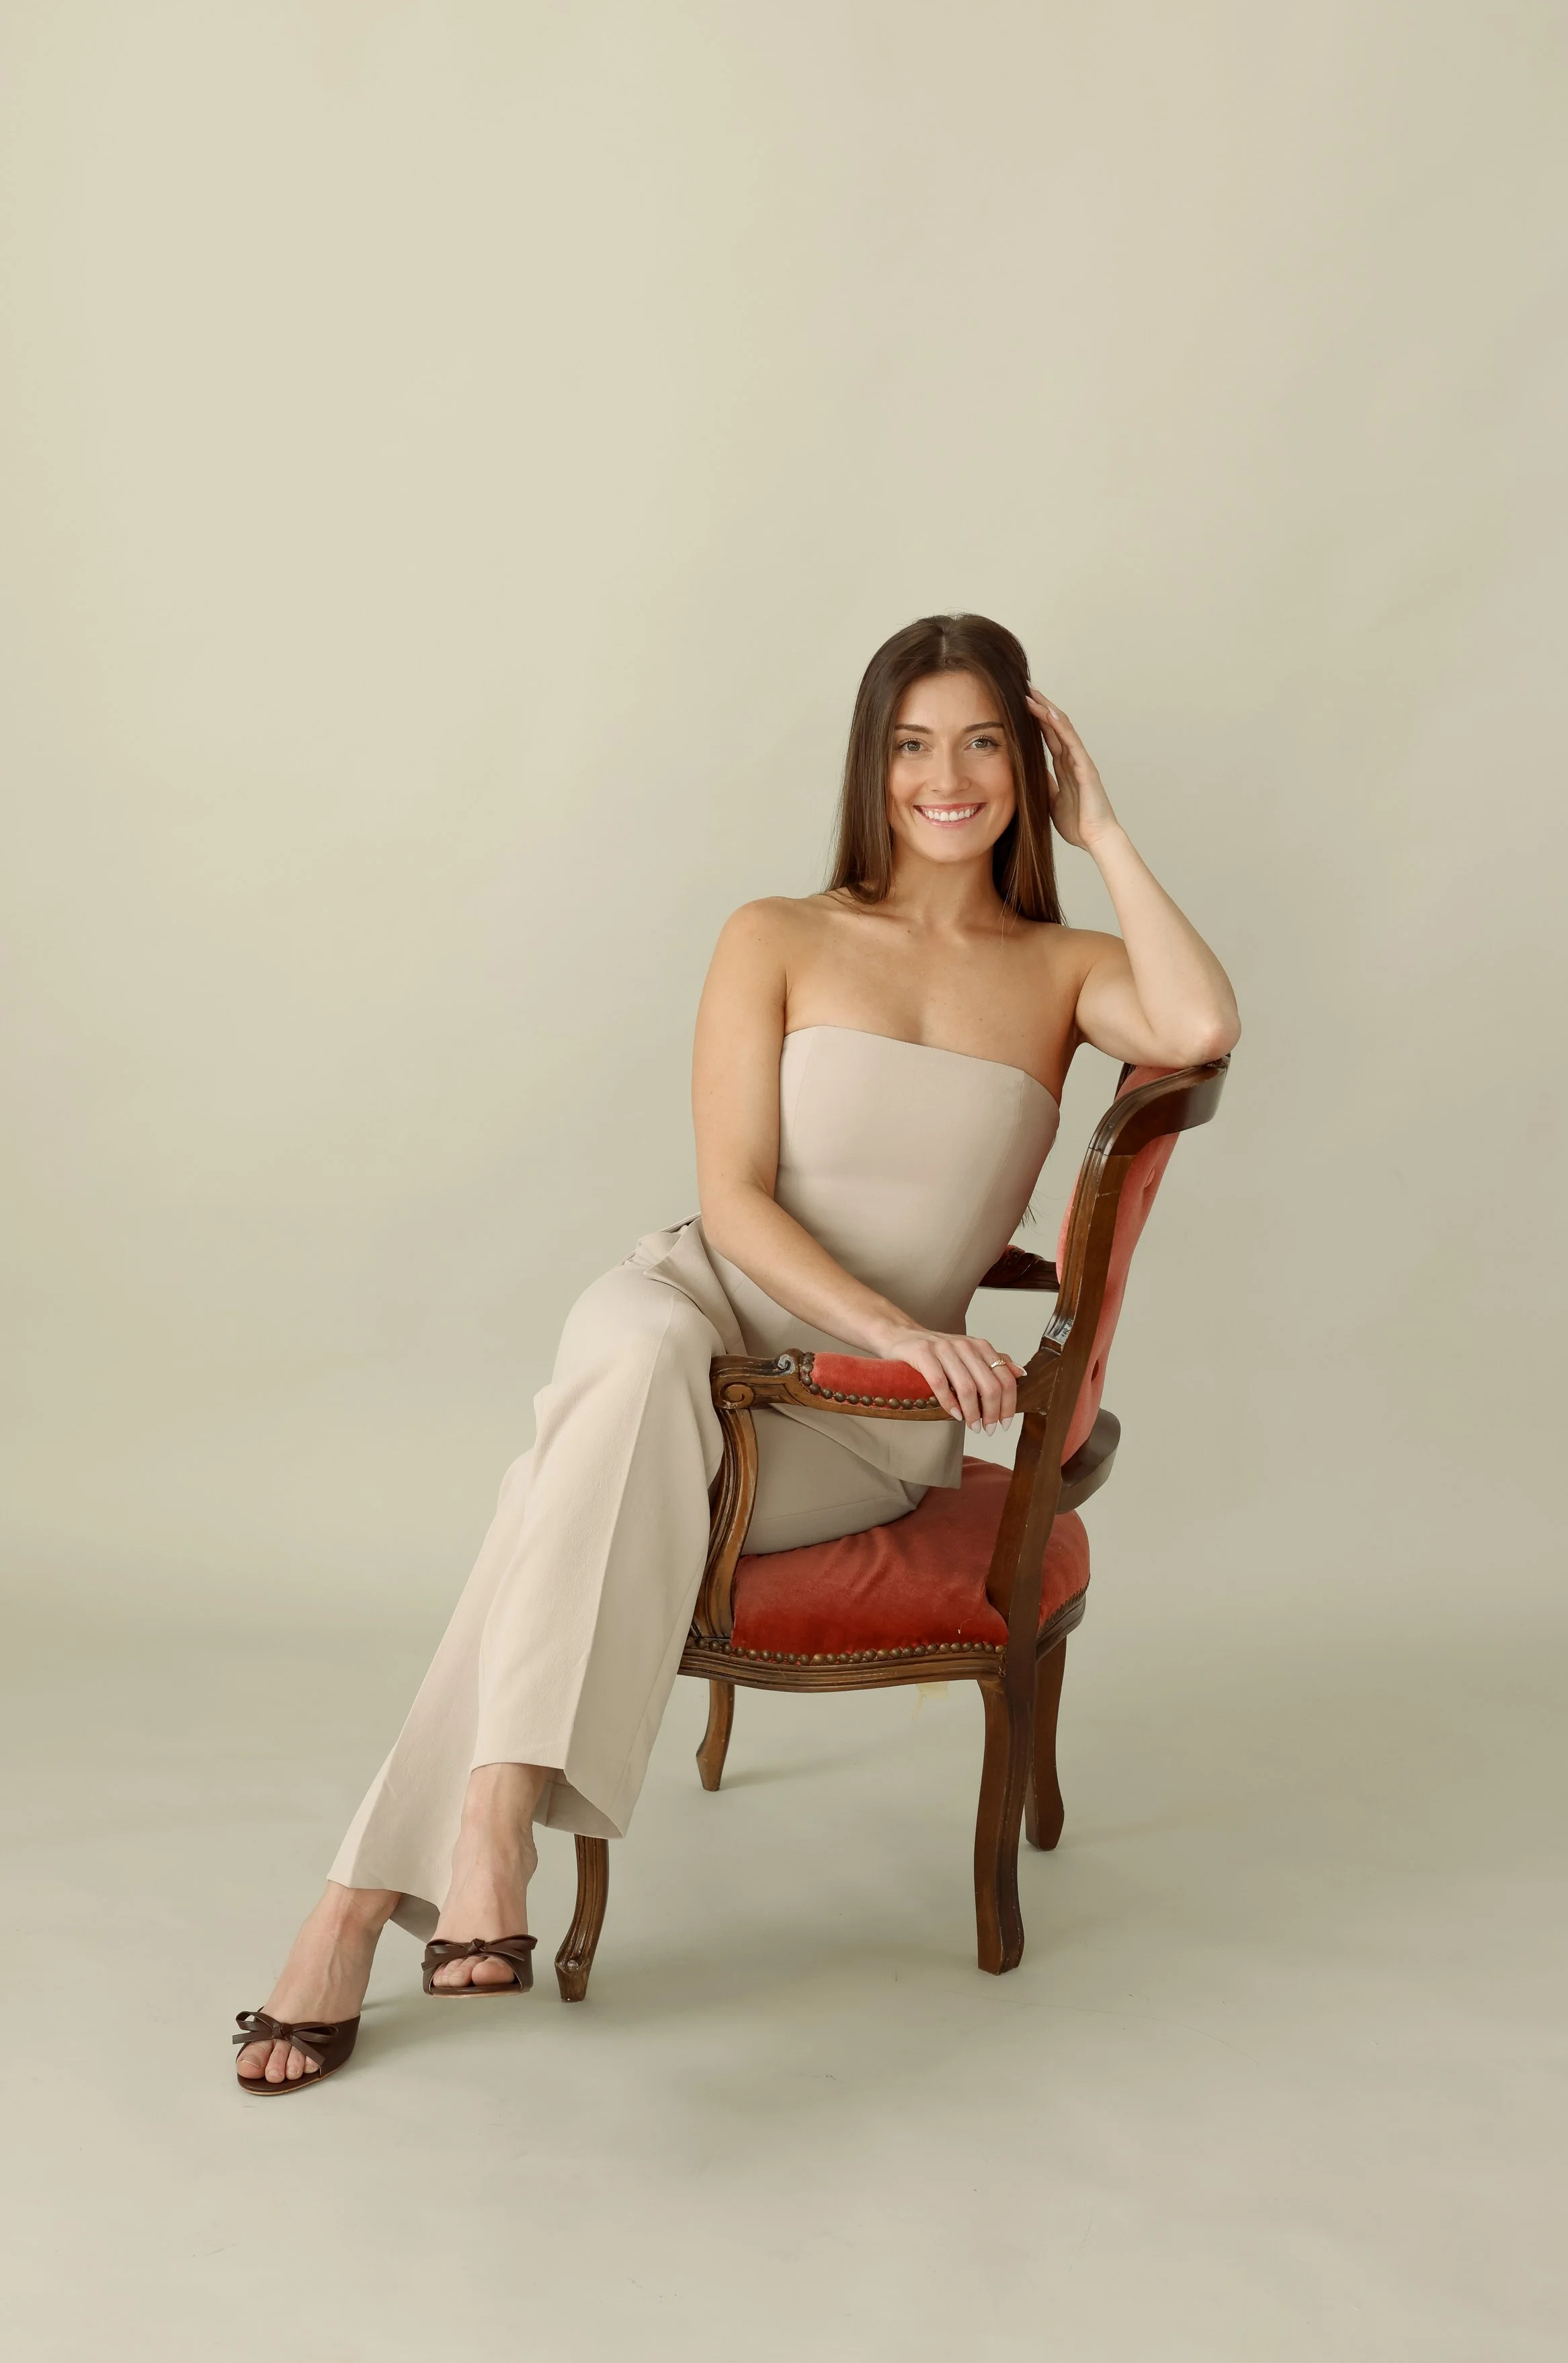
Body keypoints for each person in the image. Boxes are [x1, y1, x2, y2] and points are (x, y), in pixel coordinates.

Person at [233, 612, 1241, 2093]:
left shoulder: (1064, 967)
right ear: (870, 762)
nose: (943, 777)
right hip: (700, 1316)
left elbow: (1202, 1024)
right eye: (910, 744)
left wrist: (1104, 827)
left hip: (845, 1422)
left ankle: (369, 1895)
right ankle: (486, 1830)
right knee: (635, 1348)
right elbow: (732, 1202)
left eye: (979, 742)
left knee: (553, 1496)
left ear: (1023, 765)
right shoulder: (775, 933)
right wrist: (898, 1316)